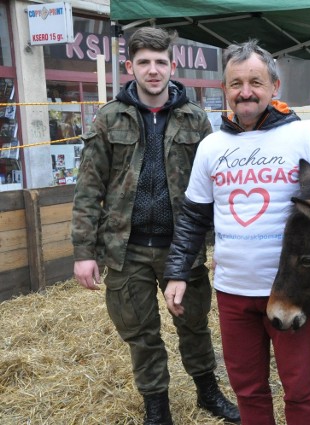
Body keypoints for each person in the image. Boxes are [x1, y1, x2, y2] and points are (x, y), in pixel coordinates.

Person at [163, 39, 310, 425]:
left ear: (274, 87)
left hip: (291, 289)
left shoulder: (304, 135)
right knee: (248, 389)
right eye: (236, 84)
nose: (246, 92)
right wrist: (177, 272)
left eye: (255, 81)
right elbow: (193, 217)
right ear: (224, 91)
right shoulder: (211, 147)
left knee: (299, 389)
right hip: (233, 292)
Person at [71, 27, 239, 425]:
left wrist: (222, 247)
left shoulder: (195, 119)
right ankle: (157, 408)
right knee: (141, 334)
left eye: (160, 62)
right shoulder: (110, 118)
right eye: (143, 62)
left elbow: (216, 186)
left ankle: (207, 393)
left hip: (182, 248)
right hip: (126, 249)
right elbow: (88, 187)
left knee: (194, 324)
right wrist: (83, 253)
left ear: (172, 66)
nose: (152, 70)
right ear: (130, 67)